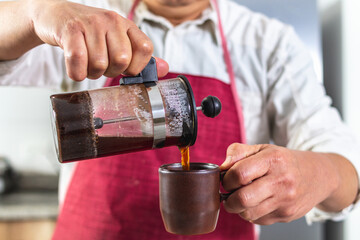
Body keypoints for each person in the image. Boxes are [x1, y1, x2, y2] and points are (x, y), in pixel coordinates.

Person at [0, 0, 359, 239]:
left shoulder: (268, 43)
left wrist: (316, 173)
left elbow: (347, 168)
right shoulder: (92, 19)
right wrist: (35, 13)